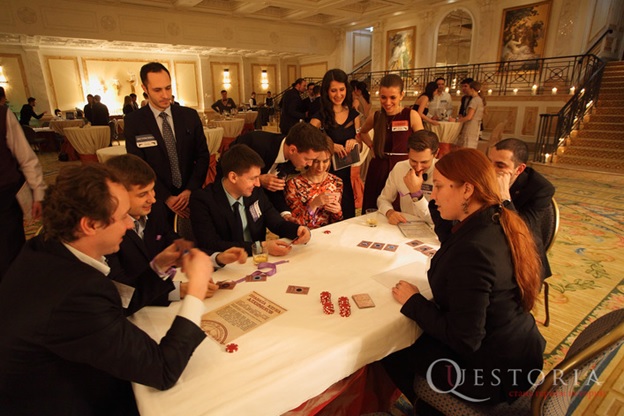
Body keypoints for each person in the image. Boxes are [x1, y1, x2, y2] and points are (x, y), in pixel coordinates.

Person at [0, 164, 212, 414]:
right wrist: (196, 290)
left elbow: (117, 304)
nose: (130, 225)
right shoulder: (77, 292)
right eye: (122, 217)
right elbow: (162, 369)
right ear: (90, 225)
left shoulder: (46, 245)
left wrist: (158, 267)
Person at [382, 148, 545, 407]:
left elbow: (465, 339)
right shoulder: (495, 218)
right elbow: (450, 236)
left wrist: (414, 301)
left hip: (490, 375)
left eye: (438, 186)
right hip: (520, 354)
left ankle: (433, 408)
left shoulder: (474, 250)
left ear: (467, 190)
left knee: (390, 347)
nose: (433, 195)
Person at [104, 154, 245, 315]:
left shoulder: (154, 210)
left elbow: (174, 242)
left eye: (153, 190)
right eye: (142, 194)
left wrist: (215, 258)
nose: (153, 199)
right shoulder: (108, 234)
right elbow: (124, 294)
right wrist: (180, 290)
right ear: (117, 196)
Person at [190, 144, 311, 257]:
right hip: (226, 265)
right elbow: (211, 244)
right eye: (253, 178)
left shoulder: (255, 192)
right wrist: (261, 247)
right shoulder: (202, 200)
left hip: (257, 262)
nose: (258, 183)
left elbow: (276, 222)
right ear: (233, 177)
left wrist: (297, 230)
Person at [125, 62, 209, 221]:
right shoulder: (134, 121)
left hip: (191, 196)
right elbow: (138, 166)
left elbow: (203, 156)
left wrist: (190, 190)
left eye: (168, 88)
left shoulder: (189, 116)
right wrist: (166, 197)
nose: (165, 95)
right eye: (157, 90)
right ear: (145, 89)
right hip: (156, 200)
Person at [489, 138, 555, 279]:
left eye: (500, 165)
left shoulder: (540, 188)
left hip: (522, 255)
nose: (491, 170)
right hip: (488, 243)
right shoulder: (483, 176)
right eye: (489, 162)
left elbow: (522, 230)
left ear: (519, 169)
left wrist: (505, 198)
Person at [230, 121, 327, 217]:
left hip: (261, 205)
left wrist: (286, 214)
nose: (310, 164)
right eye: (307, 159)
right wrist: (259, 179)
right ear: (292, 150)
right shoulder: (256, 143)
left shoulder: (293, 158)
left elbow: (276, 189)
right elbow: (228, 171)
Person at [359, 74, 424, 211]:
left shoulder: (411, 115)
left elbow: (422, 143)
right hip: (378, 167)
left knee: (399, 208)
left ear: (401, 95)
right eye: (383, 97)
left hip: (402, 168)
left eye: (393, 97)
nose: (387, 102)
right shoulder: (376, 116)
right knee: (374, 205)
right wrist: (372, 146)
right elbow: (362, 132)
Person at [0, 87, 46, 281]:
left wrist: (38, 193)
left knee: (10, 252)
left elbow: (25, 157)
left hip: (4, 196)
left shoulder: (3, 115)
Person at [310, 68, 359, 219]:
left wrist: (355, 142)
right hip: (324, 176)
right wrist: (329, 146)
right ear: (326, 91)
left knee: (347, 216)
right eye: (333, 90)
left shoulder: (353, 115)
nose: (338, 95)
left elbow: (361, 143)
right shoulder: (319, 116)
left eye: (341, 89)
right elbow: (306, 143)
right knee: (326, 218)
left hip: (345, 176)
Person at [377, 130, 439, 226]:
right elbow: (383, 199)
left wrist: (416, 194)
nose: (418, 168)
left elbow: (437, 220)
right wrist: (389, 212)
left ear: (436, 154)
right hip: (406, 225)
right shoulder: (400, 168)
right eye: (413, 161)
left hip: (434, 229)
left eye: (424, 162)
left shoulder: (444, 173)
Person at [285, 136, 343, 229]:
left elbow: (337, 222)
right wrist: (313, 205)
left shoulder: (336, 182)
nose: (320, 167)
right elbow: (294, 224)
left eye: (325, 161)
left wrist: (337, 212)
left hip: (329, 233)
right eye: (316, 161)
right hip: (303, 234)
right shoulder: (294, 184)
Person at [457, 80, 485, 149]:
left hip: (470, 126)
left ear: (472, 89)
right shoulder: (479, 99)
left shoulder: (474, 100)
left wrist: (457, 120)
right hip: (476, 126)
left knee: (467, 145)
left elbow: (469, 117)